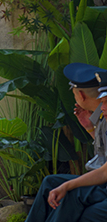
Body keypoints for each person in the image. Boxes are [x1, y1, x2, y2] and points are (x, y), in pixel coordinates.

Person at [24, 72, 107, 222]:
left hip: (103, 183)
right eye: (103, 101)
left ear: (80, 95)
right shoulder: (102, 117)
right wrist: (89, 128)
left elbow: (104, 172)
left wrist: (67, 186)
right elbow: (104, 154)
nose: (103, 107)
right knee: (51, 182)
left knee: (71, 196)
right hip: (102, 182)